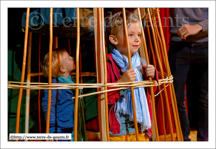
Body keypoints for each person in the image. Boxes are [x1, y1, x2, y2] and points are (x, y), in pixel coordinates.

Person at [106, 10, 158, 141]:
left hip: (141, 127)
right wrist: (121, 83)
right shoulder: (108, 64)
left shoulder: (142, 62)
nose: (137, 39)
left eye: (139, 35)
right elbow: (103, 96)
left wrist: (152, 76)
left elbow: (151, 93)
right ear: (114, 39)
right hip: (120, 127)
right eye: (130, 35)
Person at [168, 8, 208, 141]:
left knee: (205, 98)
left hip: (206, 44)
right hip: (178, 45)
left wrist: (199, 26)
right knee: (177, 97)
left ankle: (205, 140)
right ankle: (183, 139)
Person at [41, 48, 87, 141]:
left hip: (74, 127)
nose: (72, 57)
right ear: (62, 68)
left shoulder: (72, 82)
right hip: (61, 131)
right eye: (69, 58)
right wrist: (52, 130)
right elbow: (49, 109)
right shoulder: (54, 87)